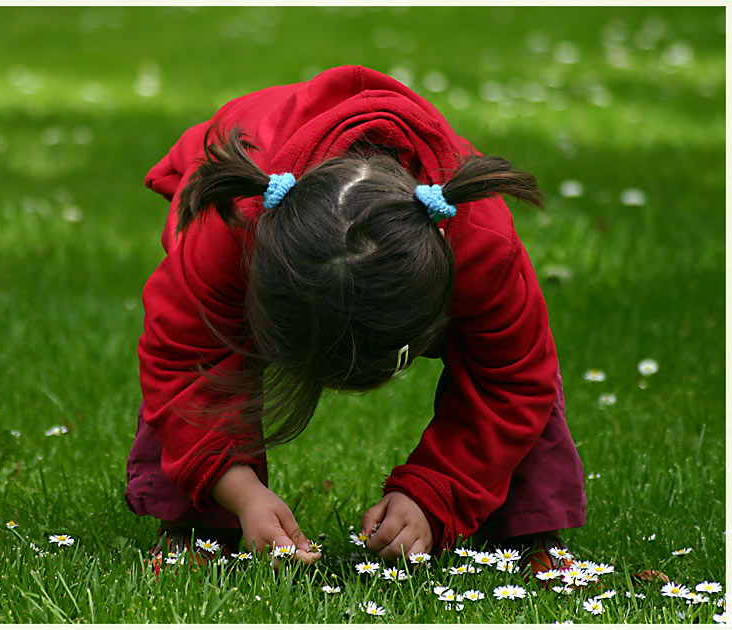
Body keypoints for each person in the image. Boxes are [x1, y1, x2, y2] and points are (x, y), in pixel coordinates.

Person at [125, 65, 585, 572]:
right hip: (247, 161)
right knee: (201, 356)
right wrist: (240, 492)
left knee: (521, 370)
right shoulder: (225, 226)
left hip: (439, 253)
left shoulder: (480, 242)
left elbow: (515, 379)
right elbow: (183, 360)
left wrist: (436, 493)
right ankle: (197, 527)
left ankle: (525, 529)